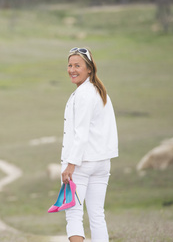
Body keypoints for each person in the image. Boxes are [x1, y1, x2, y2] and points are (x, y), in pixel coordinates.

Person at [60, 47, 118, 242]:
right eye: (70, 65)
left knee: (74, 214)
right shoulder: (100, 92)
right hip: (101, 162)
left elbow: (81, 134)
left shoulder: (84, 94)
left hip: (81, 163)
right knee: (97, 215)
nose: (72, 69)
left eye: (78, 66)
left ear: (90, 69)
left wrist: (70, 164)